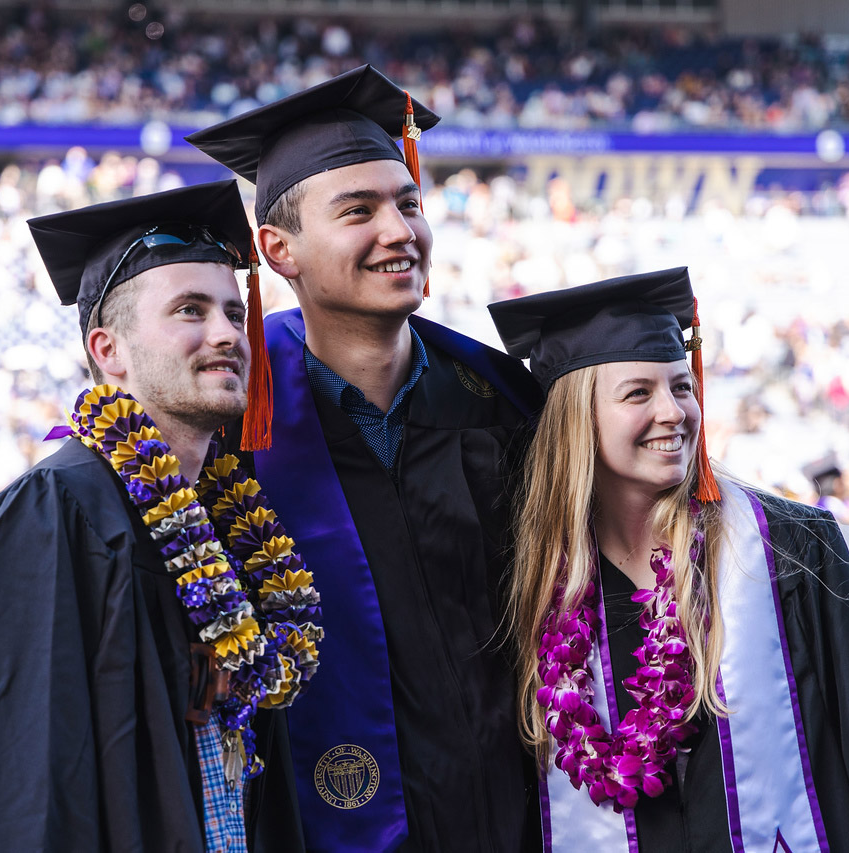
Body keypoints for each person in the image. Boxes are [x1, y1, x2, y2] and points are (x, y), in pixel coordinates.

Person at [488, 267, 849, 850]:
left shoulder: (790, 550)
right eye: (638, 392)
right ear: (576, 421)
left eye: (681, 386)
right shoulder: (533, 584)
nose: (673, 411)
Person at [188, 66, 544, 852]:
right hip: (310, 822)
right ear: (278, 250)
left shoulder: (502, 404)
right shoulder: (224, 431)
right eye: (359, 210)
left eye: (408, 203)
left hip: (513, 814)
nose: (399, 230)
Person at [0, 181, 314, 852]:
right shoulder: (51, 515)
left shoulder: (227, 519)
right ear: (108, 350)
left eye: (231, 311)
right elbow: (11, 789)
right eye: (190, 310)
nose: (226, 333)